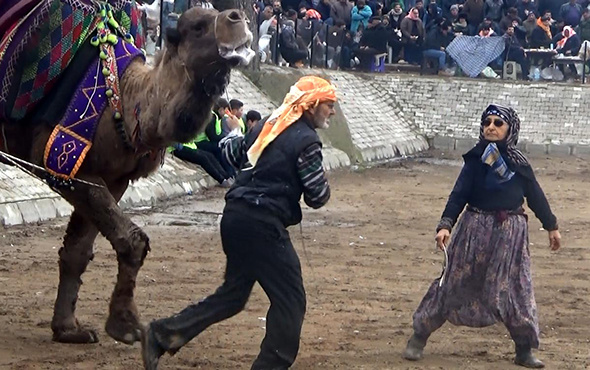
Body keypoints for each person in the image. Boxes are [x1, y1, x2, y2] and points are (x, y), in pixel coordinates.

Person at [141, 76, 336, 370]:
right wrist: (322, 179)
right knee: (291, 302)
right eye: (329, 105)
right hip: (263, 224)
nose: (332, 112)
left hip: (236, 217)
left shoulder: (270, 125)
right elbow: (317, 196)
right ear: (311, 106)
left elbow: (232, 154)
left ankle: (162, 334)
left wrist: (233, 133)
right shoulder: (307, 140)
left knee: (232, 296)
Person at [402, 104, 561, 369]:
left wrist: (551, 226)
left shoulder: (519, 164)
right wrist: (445, 225)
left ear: (510, 129)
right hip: (474, 229)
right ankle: (419, 336)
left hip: (510, 234)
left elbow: (535, 196)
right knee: (452, 282)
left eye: (499, 123)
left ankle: (524, 350)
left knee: (516, 290)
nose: (491, 127)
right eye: (487, 122)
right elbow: (459, 194)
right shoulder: (475, 160)